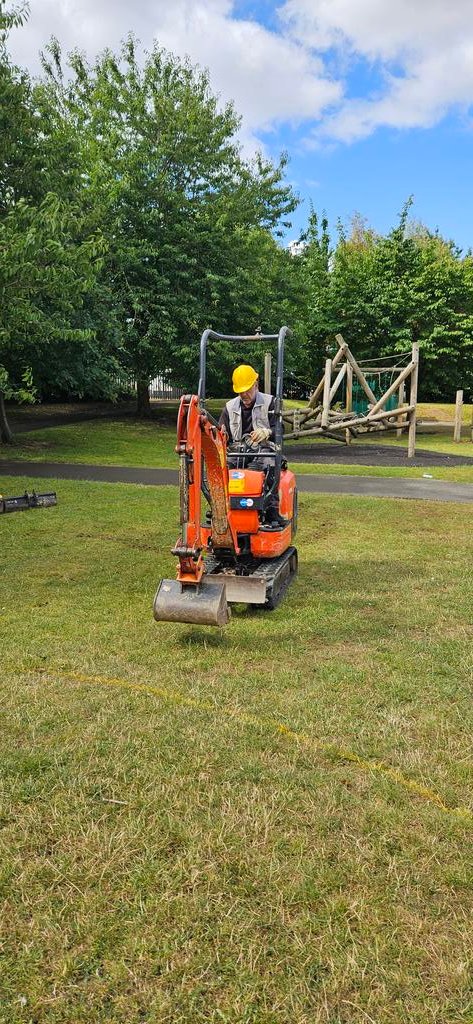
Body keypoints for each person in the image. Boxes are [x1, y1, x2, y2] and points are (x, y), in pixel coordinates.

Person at [219, 364, 286, 527]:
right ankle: (220, 509)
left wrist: (267, 432)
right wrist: (221, 435)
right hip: (238, 450)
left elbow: (280, 428)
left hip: (264, 449)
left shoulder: (270, 403)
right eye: (240, 391)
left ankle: (271, 510)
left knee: (269, 465)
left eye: (247, 390)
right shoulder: (229, 407)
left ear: (256, 385)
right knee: (221, 469)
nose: (244, 394)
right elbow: (221, 433)